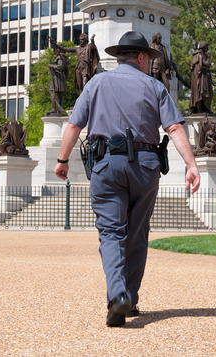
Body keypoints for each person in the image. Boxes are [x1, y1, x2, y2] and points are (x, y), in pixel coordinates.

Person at [54, 31, 200, 327]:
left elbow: (73, 125)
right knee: (136, 234)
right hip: (145, 165)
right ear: (142, 57)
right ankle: (129, 299)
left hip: (106, 164)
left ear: (121, 56)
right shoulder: (155, 87)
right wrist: (191, 164)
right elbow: (173, 128)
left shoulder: (95, 83)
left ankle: (117, 295)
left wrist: (62, 160)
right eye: (149, 60)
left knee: (111, 233)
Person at [190, 41, 213, 114]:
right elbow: (206, 64)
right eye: (207, 46)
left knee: (207, 93)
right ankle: (200, 110)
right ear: (203, 47)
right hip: (200, 77)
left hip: (204, 76)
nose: (208, 48)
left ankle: (205, 108)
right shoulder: (199, 55)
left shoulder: (202, 55)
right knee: (200, 93)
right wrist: (208, 59)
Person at [48, 43, 68, 115]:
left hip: (57, 76)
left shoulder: (60, 57)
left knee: (52, 91)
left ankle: (54, 109)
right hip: (57, 76)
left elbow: (60, 67)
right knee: (59, 94)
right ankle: (58, 109)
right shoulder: (61, 57)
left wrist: (51, 66)